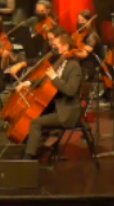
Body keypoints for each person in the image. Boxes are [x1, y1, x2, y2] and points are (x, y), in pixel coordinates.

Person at [20, 28, 83, 160]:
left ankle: (29, 157)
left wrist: (55, 77)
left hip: (68, 112)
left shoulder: (74, 66)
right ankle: (31, 146)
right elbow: (46, 80)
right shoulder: (61, 62)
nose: (53, 48)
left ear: (66, 46)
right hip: (58, 106)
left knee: (35, 123)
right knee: (32, 113)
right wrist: (29, 83)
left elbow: (71, 91)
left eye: (56, 46)